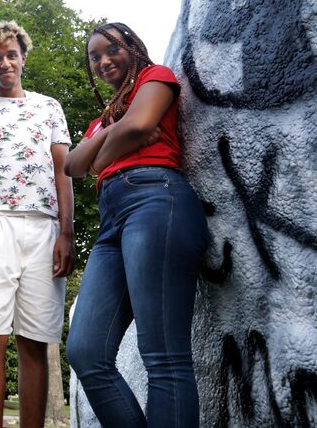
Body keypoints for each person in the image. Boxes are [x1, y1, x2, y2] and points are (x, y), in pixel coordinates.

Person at [64, 22, 209, 427]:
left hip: (155, 200)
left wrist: (103, 150)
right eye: (94, 57)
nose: (104, 61)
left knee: (163, 353)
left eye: (112, 49)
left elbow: (142, 125)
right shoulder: (102, 118)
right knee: (86, 352)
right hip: (112, 223)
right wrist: (113, 135)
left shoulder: (155, 77)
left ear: (133, 47)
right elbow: (73, 165)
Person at [0, 20, 75, 428]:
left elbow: (64, 172)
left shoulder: (49, 107)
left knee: (35, 342)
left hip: (43, 229)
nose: (4, 63)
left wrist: (67, 233)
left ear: (23, 57)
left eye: (11, 55)